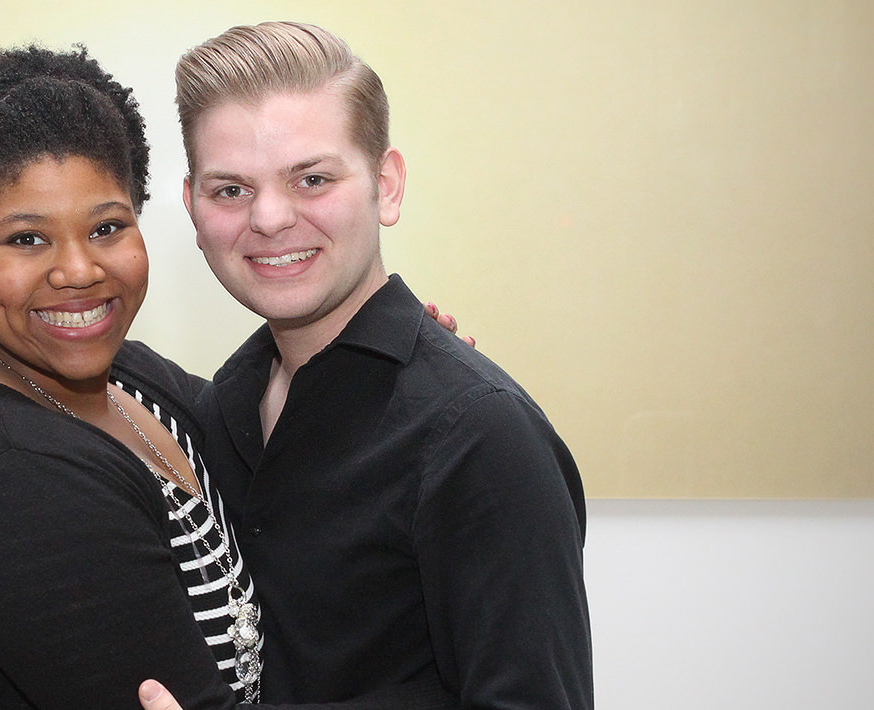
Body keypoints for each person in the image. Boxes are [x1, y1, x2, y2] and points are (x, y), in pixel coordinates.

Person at [0, 44, 453, 710]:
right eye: (27, 239)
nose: (78, 270)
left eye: (106, 227)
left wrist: (394, 365)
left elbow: (280, 448)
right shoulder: (11, 479)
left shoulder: (130, 381)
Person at [142, 21, 593, 710]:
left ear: (386, 185)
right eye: (230, 189)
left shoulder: (479, 436)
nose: (269, 218)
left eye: (312, 179)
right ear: (194, 210)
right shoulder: (219, 411)